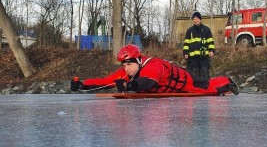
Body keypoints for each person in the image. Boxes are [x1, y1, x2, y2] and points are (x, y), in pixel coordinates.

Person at [70, 44, 239, 95]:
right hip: (170, 88)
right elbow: (107, 82)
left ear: (138, 60)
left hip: (184, 81)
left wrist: (131, 86)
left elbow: (149, 81)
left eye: (129, 64)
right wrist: (83, 85)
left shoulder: (153, 65)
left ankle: (228, 81)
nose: (126, 69)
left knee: (209, 87)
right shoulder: (128, 70)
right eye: (124, 65)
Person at [183, 11, 215, 79]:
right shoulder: (190, 31)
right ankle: (196, 89)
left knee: (205, 72)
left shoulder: (206, 29)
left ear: (200, 19)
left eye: (197, 18)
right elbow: (186, 43)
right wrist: (185, 52)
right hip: (193, 58)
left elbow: (210, 41)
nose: (195, 20)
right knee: (195, 74)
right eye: (194, 19)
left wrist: (211, 50)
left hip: (204, 57)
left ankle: (207, 88)